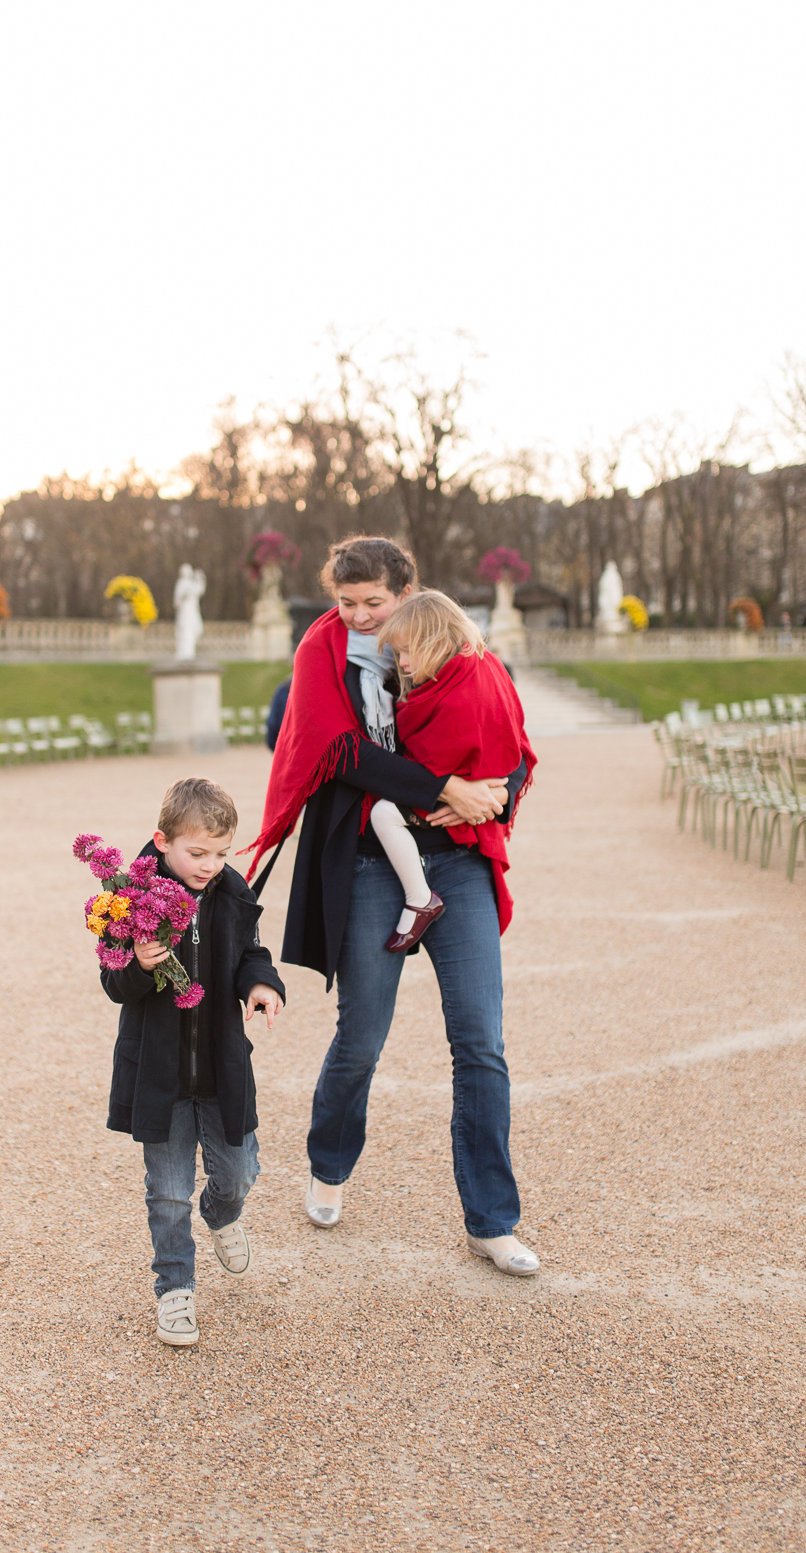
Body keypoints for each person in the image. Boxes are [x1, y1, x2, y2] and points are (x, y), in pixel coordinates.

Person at [244, 536, 540, 1278]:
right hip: (371, 862)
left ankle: (491, 1221)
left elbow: (511, 745)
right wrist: (444, 786)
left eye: (376, 602)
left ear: (408, 590)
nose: (362, 617)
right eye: (347, 603)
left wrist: (495, 791)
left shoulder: (451, 644)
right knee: (363, 1036)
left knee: (481, 1042)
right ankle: (329, 1165)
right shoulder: (323, 651)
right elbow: (336, 752)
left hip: (459, 862)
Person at [100, 777, 286, 1348]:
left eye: (222, 852)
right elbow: (113, 984)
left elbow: (252, 950)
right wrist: (137, 962)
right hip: (160, 1072)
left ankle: (223, 1213)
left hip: (222, 1065)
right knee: (167, 1191)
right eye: (197, 852)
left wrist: (262, 984)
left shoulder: (230, 892)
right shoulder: (129, 900)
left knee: (239, 1173)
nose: (210, 864)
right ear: (163, 842)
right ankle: (175, 1288)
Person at [369, 589, 532, 953]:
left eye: (410, 651)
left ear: (438, 642)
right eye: (399, 653)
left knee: (383, 814)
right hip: (478, 789)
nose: (403, 662)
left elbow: (436, 759)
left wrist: (482, 793)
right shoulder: (482, 668)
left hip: (466, 794)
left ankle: (419, 898)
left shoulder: (458, 688)